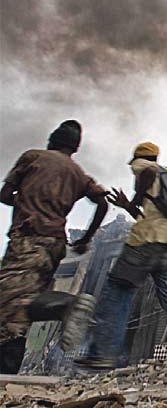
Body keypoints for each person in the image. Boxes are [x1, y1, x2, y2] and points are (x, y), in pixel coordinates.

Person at [75, 142, 167, 401]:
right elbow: (146, 210)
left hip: (148, 241)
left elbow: (148, 176)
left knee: (117, 287)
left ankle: (104, 350)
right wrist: (130, 205)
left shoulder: (148, 169)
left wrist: (135, 197)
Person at [0, 120, 107, 373]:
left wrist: (24, 201)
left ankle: (66, 304)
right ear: (75, 147)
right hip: (54, 245)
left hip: (27, 239)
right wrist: (85, 238)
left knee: (8, 303)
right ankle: (7, 375)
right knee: (16, 317)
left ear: (52, 139)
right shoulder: (77, 173)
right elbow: (102, 203)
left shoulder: (33, 157)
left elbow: (4, 195)